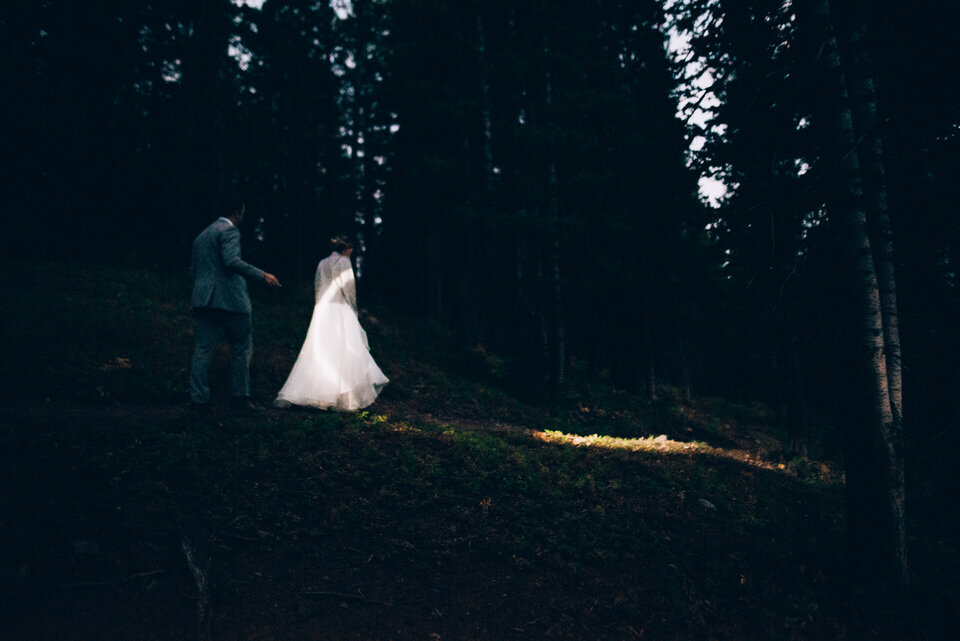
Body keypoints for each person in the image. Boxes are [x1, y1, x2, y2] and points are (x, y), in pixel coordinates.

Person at [189, 195, 281, 411]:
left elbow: (193, 271)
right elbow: (231, 261)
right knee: (241, 347)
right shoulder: (229, 230)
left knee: (202, 348)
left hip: (203, 300)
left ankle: (198, 400)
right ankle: (240, 399)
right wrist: (262, 275)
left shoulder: (201, 236)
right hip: (229, 300)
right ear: (237, 211)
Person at [274, 236, 389, 410]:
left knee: (322, 351)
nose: (351, 252)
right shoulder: (344, 262)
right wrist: (354, 310)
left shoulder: (322, 263)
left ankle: (319, 393)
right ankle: (341, 397)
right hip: (339, 309)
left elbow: (318, 286)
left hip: (322, 310)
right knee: (344, 350)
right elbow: (349, 290)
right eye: (351, 249)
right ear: (346, 248)